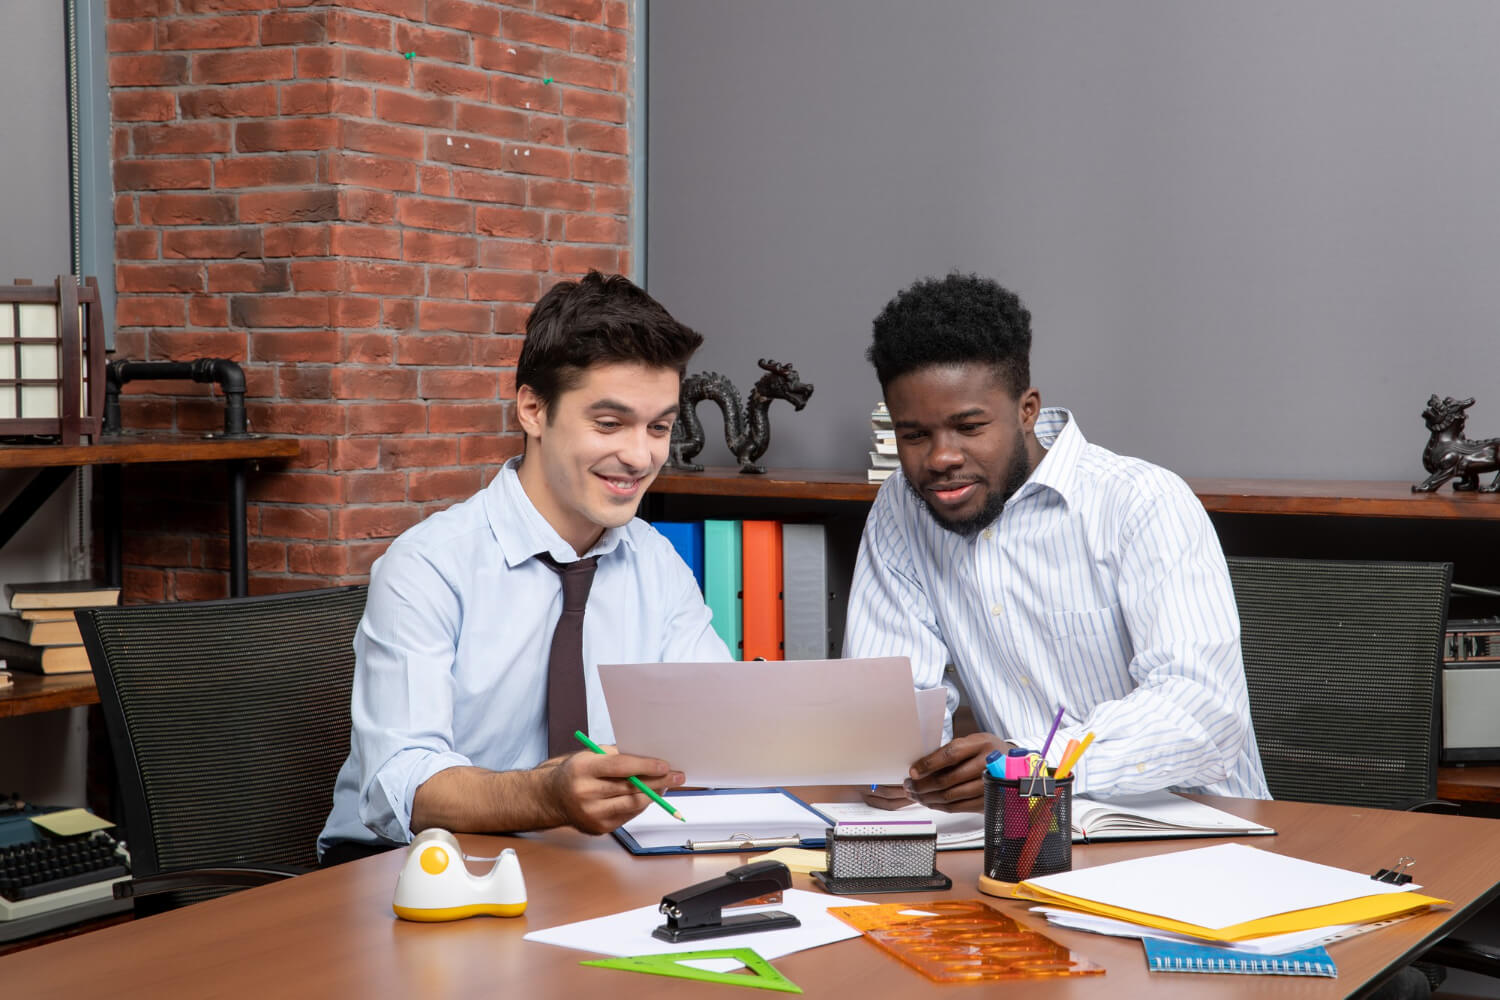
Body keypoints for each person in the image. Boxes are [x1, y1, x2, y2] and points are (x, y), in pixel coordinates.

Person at [318, 271, 731, 864]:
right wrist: (547, 796)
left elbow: (714, 724)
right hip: (411, 865)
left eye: (659, 427)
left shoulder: (655, 559)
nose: (640, 456)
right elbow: (402, 784)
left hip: (580, 863)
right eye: (609, 424)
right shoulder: (427, 566)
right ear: (534, 410)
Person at [844, 272, 1270, 812]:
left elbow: (1203, 714)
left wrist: (1032, 768)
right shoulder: (902, 507)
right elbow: (891, 707)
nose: (941, 457)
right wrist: (892, 763)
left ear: (1027, 410)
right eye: (914, 435)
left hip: (1195, 827)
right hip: (1025, 829)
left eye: (969, 427)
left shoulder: (1141, 502)